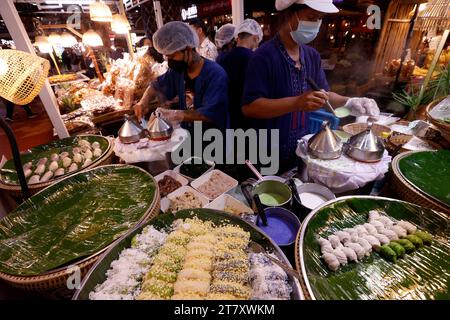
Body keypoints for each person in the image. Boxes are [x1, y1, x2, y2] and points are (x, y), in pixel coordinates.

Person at [242, 0, 380, 173]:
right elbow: (250, 107)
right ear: (290, 14)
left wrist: (350, 102)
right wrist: (297, 103)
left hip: (302, 146)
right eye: (311, 17)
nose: (315, 23)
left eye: (319, 18)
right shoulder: (263, 56)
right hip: (268, 150)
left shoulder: (311, 56)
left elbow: (324, 94)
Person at [133, 21, 229, 131]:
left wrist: (176, 115)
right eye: (168, 57)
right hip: (189, 137)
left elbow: (212, 113)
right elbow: (156, 85)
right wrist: (143, 102)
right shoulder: (178, 72)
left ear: (187, 48)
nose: (170, 62)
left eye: (173, 56)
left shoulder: (215, 74)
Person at [217, 19, 263, 129]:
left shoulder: (221, 58)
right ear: (255, 38)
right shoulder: (255, 60)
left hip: (227, 117)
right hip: (248, 120)